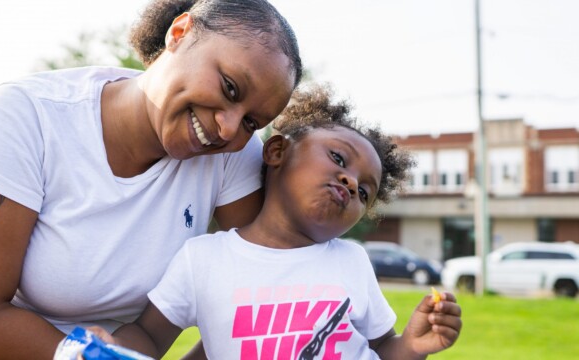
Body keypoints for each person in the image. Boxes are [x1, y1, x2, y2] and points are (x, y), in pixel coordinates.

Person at [0, 0, 302, 358]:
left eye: (251, 122)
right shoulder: (28, 115)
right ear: (180, 33)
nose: (228, 128)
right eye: (230, 88)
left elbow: (264, 296)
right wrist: (89, 356)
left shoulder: (233, 156)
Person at [86, 84, 463, 359]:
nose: (351, 182)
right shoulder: (203, 259)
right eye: (338, 158)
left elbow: (382, 349)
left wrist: (412, 346)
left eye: (365, 192)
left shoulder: (351, 261)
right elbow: (149, 337)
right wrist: (112, 347)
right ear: (278, 151)